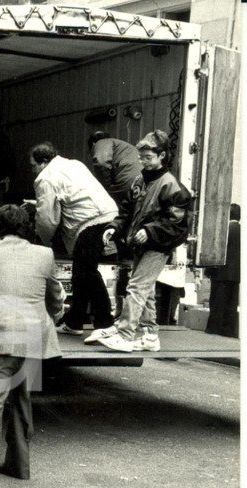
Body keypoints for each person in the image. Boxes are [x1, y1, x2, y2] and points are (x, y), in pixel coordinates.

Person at [0, 204, 65, 486]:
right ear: (26, 227)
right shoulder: (45, 254)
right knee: (22, 399)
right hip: (33, 337)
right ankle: (20, 464)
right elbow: (54, 294)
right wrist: (53, 314)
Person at [95, 130, 192, 352]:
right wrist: (113, 227)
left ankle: (126, 334)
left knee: (137, 287)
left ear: (162, 156)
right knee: (145, 290)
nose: (143, 162)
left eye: (148, 158)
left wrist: (149, 231)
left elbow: (178, 223)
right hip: (144, 244)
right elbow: (126, 211)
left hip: (157, 246)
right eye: (141, 157)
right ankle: (150, 336)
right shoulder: (141, 180)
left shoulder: (171, 185)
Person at [30, 141, 118, 337]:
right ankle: (75, 320)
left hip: (89, 221)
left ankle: (105, 322)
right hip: (109, 214)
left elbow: (47, 218)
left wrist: (43, 243)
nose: (32, 170)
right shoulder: (74, 164)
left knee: (87, 272)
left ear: (43, 162)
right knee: (80, 273)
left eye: (33, 165)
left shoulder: (45, 178)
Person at [88, 131, 143, 315]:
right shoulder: (125, 147)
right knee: (132, 217)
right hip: (140, 184)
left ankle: (113, 248)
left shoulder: (103, 142)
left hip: (126, 182)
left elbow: (101, 162)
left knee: (110, 210)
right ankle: (128, 251)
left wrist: (105, 185)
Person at [205, 203, 240, 338]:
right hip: (236, 274)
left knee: (217, 302)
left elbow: (215, 251)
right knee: (232, 304)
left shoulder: (223, 231)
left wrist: (208, 270)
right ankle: (229, 330)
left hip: (220, 272)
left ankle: (214, 328)